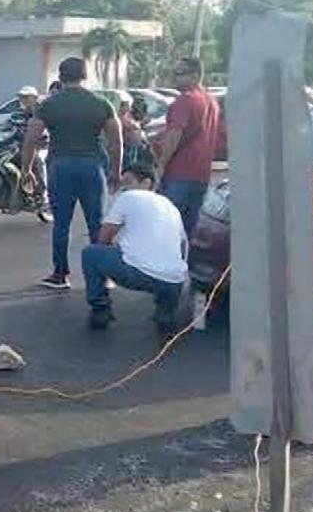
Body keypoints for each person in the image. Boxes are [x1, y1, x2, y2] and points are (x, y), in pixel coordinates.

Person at [22, 57, 123, 290]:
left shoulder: (48, 105)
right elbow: (116, 141)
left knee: (61, 224)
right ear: (84, 75)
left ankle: (60, 274)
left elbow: (30, 139)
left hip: (60, 167)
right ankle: (102, 276)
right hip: (92, 167)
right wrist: (115, 171)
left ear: (60, 76)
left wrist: (27, 170)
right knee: (96, 223)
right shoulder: (102, 103)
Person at [81, 160, 189, 339]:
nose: (124, 187)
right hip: (175, 280)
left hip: (139, 275)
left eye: (128, 182)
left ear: (147, 183)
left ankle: (100, 309)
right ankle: (165, 315)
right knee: (165, 272)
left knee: (91, 254)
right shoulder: (170, 205)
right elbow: (182, 245)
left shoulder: (129, 197)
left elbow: (104, 236)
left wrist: (114, 251)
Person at [157, 57, 221, 237]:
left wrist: (161, 164)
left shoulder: (185, 100)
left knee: (169, 229)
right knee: (188, 231)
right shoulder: (211, 101)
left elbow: (174, 135)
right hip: (201, 175)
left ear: (195, 76)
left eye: (179, 74)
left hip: (179, 173)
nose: (174, 78)